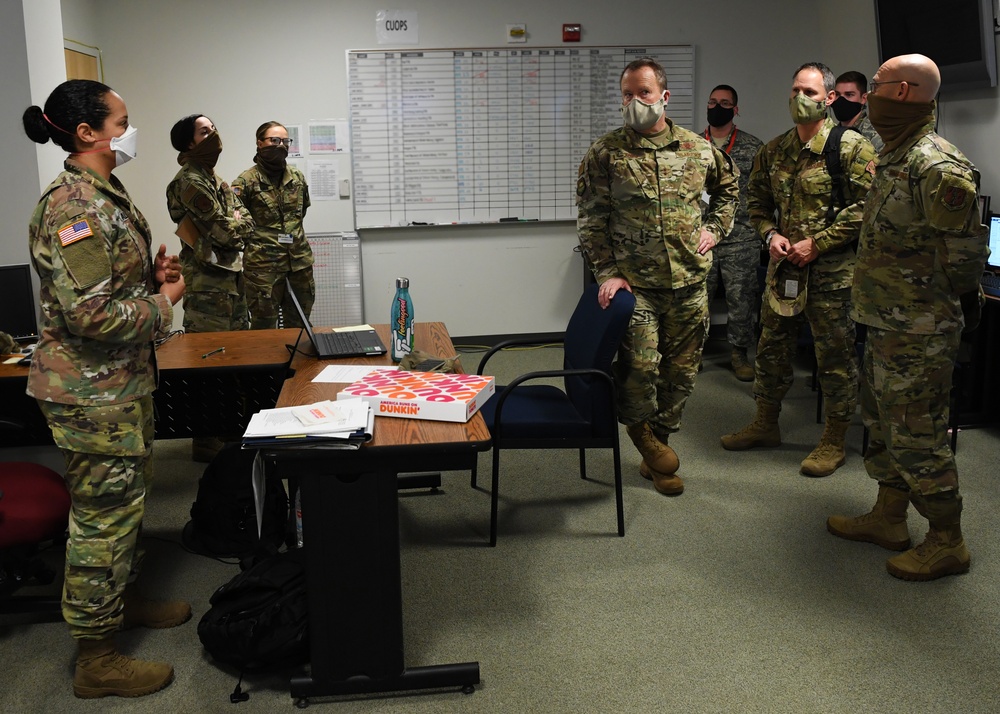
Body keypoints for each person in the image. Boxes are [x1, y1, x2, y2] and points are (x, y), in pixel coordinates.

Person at [22, 79, 189, 698]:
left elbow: (102, 288)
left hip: (116, 386)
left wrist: (150, 276)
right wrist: (163, 301)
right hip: (91, 395)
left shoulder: (104, 192)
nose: (130, 130)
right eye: (122, 121)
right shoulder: (74, 207)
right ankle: (97, 657)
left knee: (125, 507)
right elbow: (89, 317)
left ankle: (121, 601)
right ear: (87, 134)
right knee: (101, 520)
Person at [827, 54, 989, 581]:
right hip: (884, 321)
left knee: (917, 435)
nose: (865, 94)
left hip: (920, 330)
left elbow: (965, 261)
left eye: (873, 85)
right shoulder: (895, 156)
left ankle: (948, 540)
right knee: (882, 425)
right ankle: (889, 517)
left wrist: (940, 312)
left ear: (900, 92)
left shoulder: (938, 164)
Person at [577, 57, 739, 496]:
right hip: (637, 287)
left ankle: (659, 446)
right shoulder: (606, 152)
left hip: (689, 283)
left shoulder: (697, 148)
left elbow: (729, 189)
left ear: (664, 97)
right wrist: (607, 272)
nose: (634, 101)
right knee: (640, 369)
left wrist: (715, 228)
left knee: (681, 374)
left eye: (643, 93)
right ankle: (643, 438)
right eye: (627, 94)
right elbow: (591, 219)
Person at [721, 62, 877, 477]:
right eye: (795, 90)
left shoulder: (851, 148)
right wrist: (770, 234)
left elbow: (869, 207)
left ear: (829, 98)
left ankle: (833, 439)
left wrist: (820, 243)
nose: (799, 99)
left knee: (834, 357)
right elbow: (754, 204)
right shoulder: (774, 150)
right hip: (784, 271)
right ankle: (765, 422)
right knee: (772, 349)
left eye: (809, 92)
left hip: (831, 275)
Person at [166, 114, 254, 462]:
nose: (214, 135)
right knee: (210, 363)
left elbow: (243, 217)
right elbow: (226, 232)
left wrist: (237, 220)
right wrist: (236, 222)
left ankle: (229, 430)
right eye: (205, 132)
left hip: (230, 280)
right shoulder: (189, 181)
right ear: (189, 144)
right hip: (207, 285)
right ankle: (206, 438)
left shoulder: (212, 178)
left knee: (235, 360)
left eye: (214, 128)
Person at [702, 84, 765, 381]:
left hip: (741, 237)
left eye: (725, 102)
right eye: (713, 101)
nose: (717, 106)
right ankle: (692, 352)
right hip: (699, 238)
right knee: (696, 298)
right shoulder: (690, 144)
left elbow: (765, 193)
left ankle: (739, 353)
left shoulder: (753, 147)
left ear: (735, 109)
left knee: (742, 300)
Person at [232, 121, 314, 329]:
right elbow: (238, 223)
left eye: (285, 141)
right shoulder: (245, 182)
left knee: (299, 326)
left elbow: (300, 214)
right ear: (260, 143)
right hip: (263, 267)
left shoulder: (297, 178)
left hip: (299, 262)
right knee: (264, 328)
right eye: (274, 140)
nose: (281, 145)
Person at [832, 70, 884, 153]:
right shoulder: (831, 134)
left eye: (849, 95)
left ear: (863, 98)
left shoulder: (875, 136)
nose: (841, 100)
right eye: (837, 94)